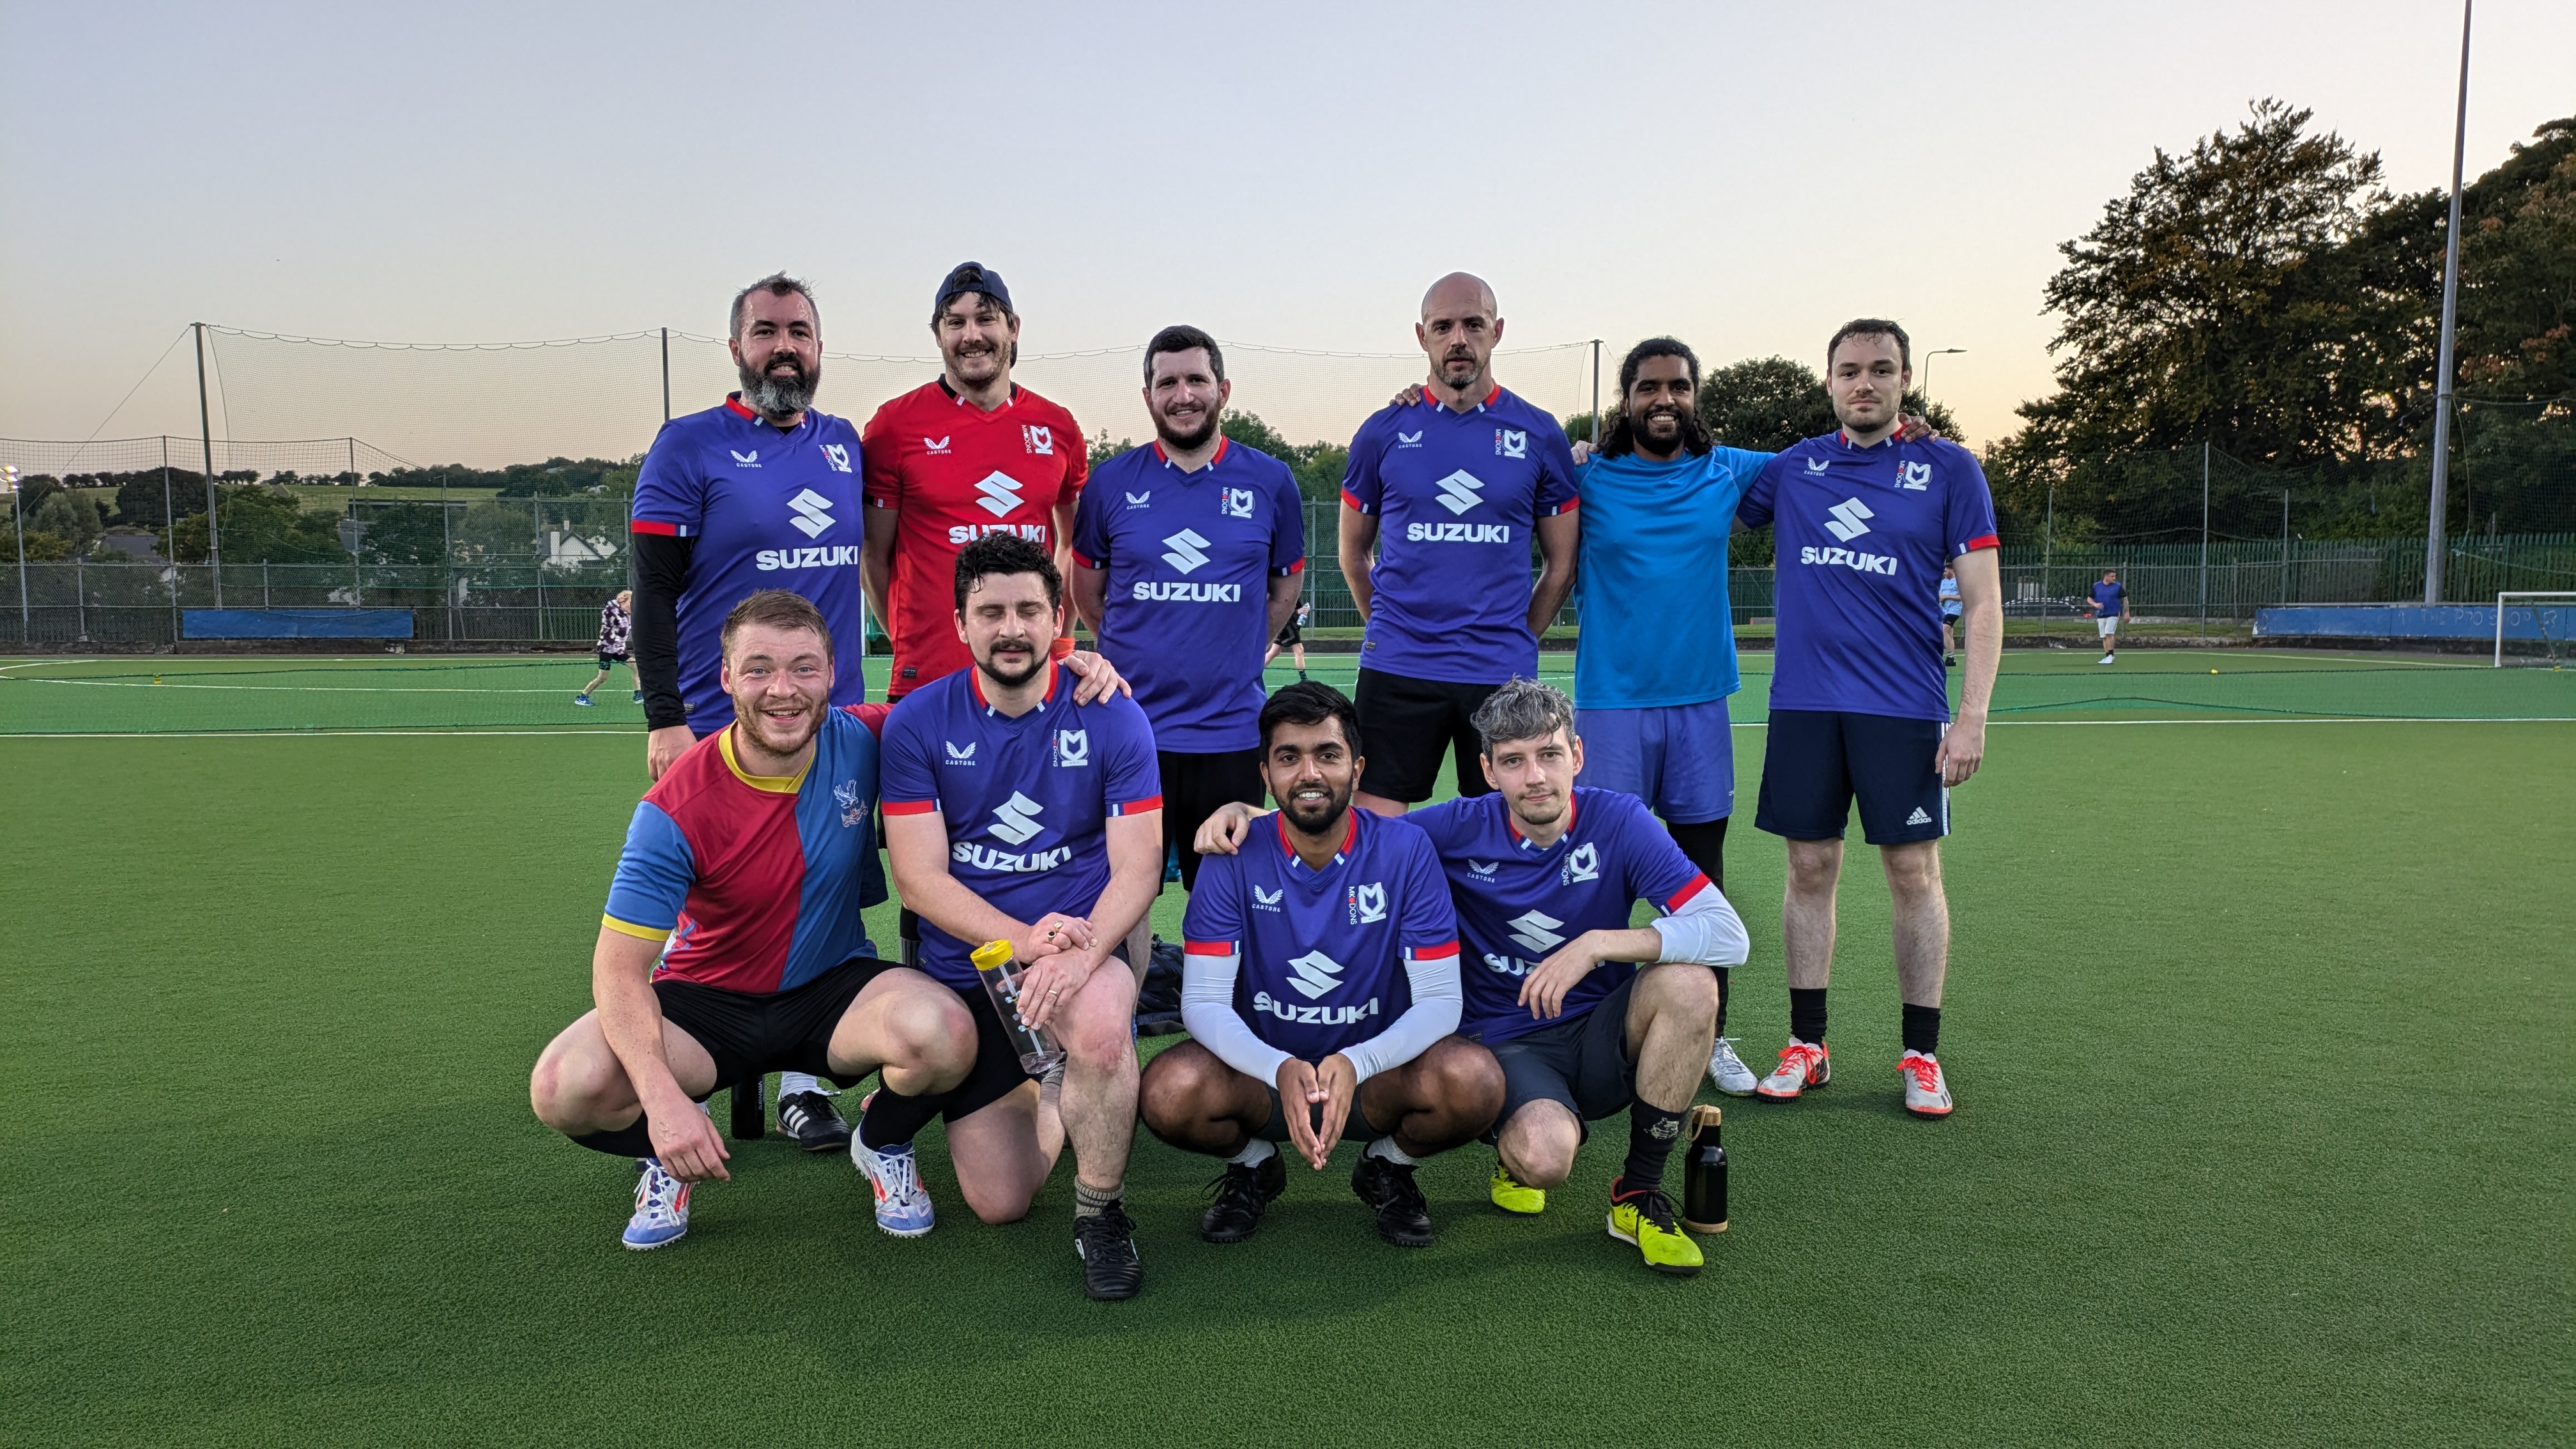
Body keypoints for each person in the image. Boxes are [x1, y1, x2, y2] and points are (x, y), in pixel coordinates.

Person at [1199, 679, 1745, 1274]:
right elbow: (1348, 826)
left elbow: (1729, 935)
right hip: (1504, 1040)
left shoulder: (1621, 822)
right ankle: (1510, 1145)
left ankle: (1638, 1194)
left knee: (1692, 983)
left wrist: (1598, 946)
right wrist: (1247, 814)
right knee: (1544, 1158)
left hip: (1598, 1028)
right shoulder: (1453, 829)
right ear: (1488, 770)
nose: (1535, 777)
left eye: (1549, 755)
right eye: (1513, 761)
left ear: (1577, 757)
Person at [528, 590, 973, 1250]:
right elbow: (619, 971)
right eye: (759, 668)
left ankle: (881, 1142)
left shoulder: (864, 737)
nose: (783, 691)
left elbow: (975, 704)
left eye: (803, 668)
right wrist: (662, 1102)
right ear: (727, 678)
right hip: (704, 1006)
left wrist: (1074, 663)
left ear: (831, 676)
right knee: (565, 1088)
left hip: (830, 988)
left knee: (946, 1035)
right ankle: (666, 1155)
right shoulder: (674, 806)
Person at [870, 533, 1164, 1300]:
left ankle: (1100, 1215)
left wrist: (1080, 951)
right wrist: (1025, 942)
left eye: (1029, 609)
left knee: (1101, 1033)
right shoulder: (918, 723)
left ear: (1057, 615)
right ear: (960, 621)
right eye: (991, 611)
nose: (1011, 628)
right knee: (999, 1204)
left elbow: (1138, 866)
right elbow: (918, 878)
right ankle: (1045, 1081)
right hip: (972, 967)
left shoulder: (1113, 714)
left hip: (1079, 949)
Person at [628, 273, 872, 1147]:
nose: (784, 347)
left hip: (829, 729)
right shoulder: (689, 446)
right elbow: (652, 591)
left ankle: (807, 1083)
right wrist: (666, 715)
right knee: (702, 909)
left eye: (799, 332)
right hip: (716, 724)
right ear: (736, 347)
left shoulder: (846, 444)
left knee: (831, 896)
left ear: (818, 346)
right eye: (766, 331)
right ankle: (678, 1074)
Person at [1737, 318, 2000, 1119]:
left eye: (1881, 370)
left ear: (1905, 380)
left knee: (1912, 874)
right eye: (1850, 370)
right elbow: (1683, 474)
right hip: (1806, 706)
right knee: (1808, 870)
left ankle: (1921, 1053)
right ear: (1828, 382)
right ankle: (1807, 1046)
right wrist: (1590, 457)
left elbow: (1984, 603)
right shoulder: (1794, 468)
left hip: (1905, 708)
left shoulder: (1950, 468)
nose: (1865, 384)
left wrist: (1974, 716)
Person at [1144, 682, 1501, 1249]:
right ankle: (1254, 1165)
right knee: (1169, 1090)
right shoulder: (1230, 854)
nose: (1309, 773)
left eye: (1327, 755)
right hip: (1261, 1079)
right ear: (1265, 775)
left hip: (1373, 1078)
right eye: (1289, 757)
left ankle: (1388, 1165)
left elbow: (1442, 1001)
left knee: (1475, 1082)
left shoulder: (1405, 851)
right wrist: (1279, 1066)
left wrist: (1358, 1062)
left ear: (1357, 769)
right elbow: (1203, 1003)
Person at [1070, 325, 1304, 910]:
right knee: (1125, 891)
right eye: (1166, 382)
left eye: (1196, 379)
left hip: (1230, 730)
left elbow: (1284, 590)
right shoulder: (1111, 484)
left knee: (1227, 892)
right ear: (1147, 396)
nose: (1183, 395)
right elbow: (1089, 595)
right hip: (1129, 727)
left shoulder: (1272, 482)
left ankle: (1212, 1004)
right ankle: (1127, 1000)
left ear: (1223, 389)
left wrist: (1239, 652)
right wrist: (1137, 656)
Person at [1337, 272, 1579, 816]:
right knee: (1377, 833)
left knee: (1508, 831)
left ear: (1497, 331)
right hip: (1398, 664)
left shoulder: (1539, 432)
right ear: (1423, 337)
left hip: (1499, 671)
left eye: (1473, 325)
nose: (1459, 340)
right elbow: (1354, 554)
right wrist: (1390, 625)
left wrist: (1517, 634)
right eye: (1443, 327)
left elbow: (1561, 565)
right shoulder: (1383, 430)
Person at [862, 262, 1089, 702]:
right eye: (956, 323)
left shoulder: (1057, 427)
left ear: (1013, 328)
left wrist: (1060, 639)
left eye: (985, 319)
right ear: (938, 335)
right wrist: (906, 639)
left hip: (1028, 682)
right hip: (928, 681)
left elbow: (1072, 543)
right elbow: (875, 554)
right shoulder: (895, 425)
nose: (972, 336)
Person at [577, 590, 639, 705]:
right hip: (607, 649)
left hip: (617, 650)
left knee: (636, 666)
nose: (632, 606)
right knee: (602, 677)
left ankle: (638, 694)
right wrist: (617, 602)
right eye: (630, 603)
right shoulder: (613, 613)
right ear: (622, 601)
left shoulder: (628, 615)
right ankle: (583, 697)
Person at [2091, 569, 2129, 663]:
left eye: (2115, 576)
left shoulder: (2118, 587)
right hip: (2101, 614)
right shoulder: (2096, 586)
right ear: (2106, 577)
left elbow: (2125, 599)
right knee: (2103, 636)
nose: (2114, 578)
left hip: (2113, 613)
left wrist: (2127, 612)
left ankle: (2111, 655)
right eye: (2112, 576)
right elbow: (2089, 598)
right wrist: (2095, 604)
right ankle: (2107, 656)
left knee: (2109, 633)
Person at [1264, 601, 1311, 679]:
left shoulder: (1294, 592)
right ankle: (1304, 679)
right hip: (1286, 626)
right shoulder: (1285, 591)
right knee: (1299, 650)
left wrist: (1302, 612)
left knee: (1274, 652)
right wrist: (1297, 612)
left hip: (1286, 625)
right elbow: (1280, 610)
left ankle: (1255, 670)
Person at [1939, 566, 1963, 667]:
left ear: (1952, 570)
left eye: (1945, 571)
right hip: (1943, 610)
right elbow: (1940, 595)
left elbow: (1962, 597)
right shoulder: (1943, 582)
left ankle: (1949, 656)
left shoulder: (1959, 581)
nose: (1944, 573)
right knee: (1949, 634)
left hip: (1954, 611)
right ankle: (1951, 659)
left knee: (1944, 629)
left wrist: (1947, 597)